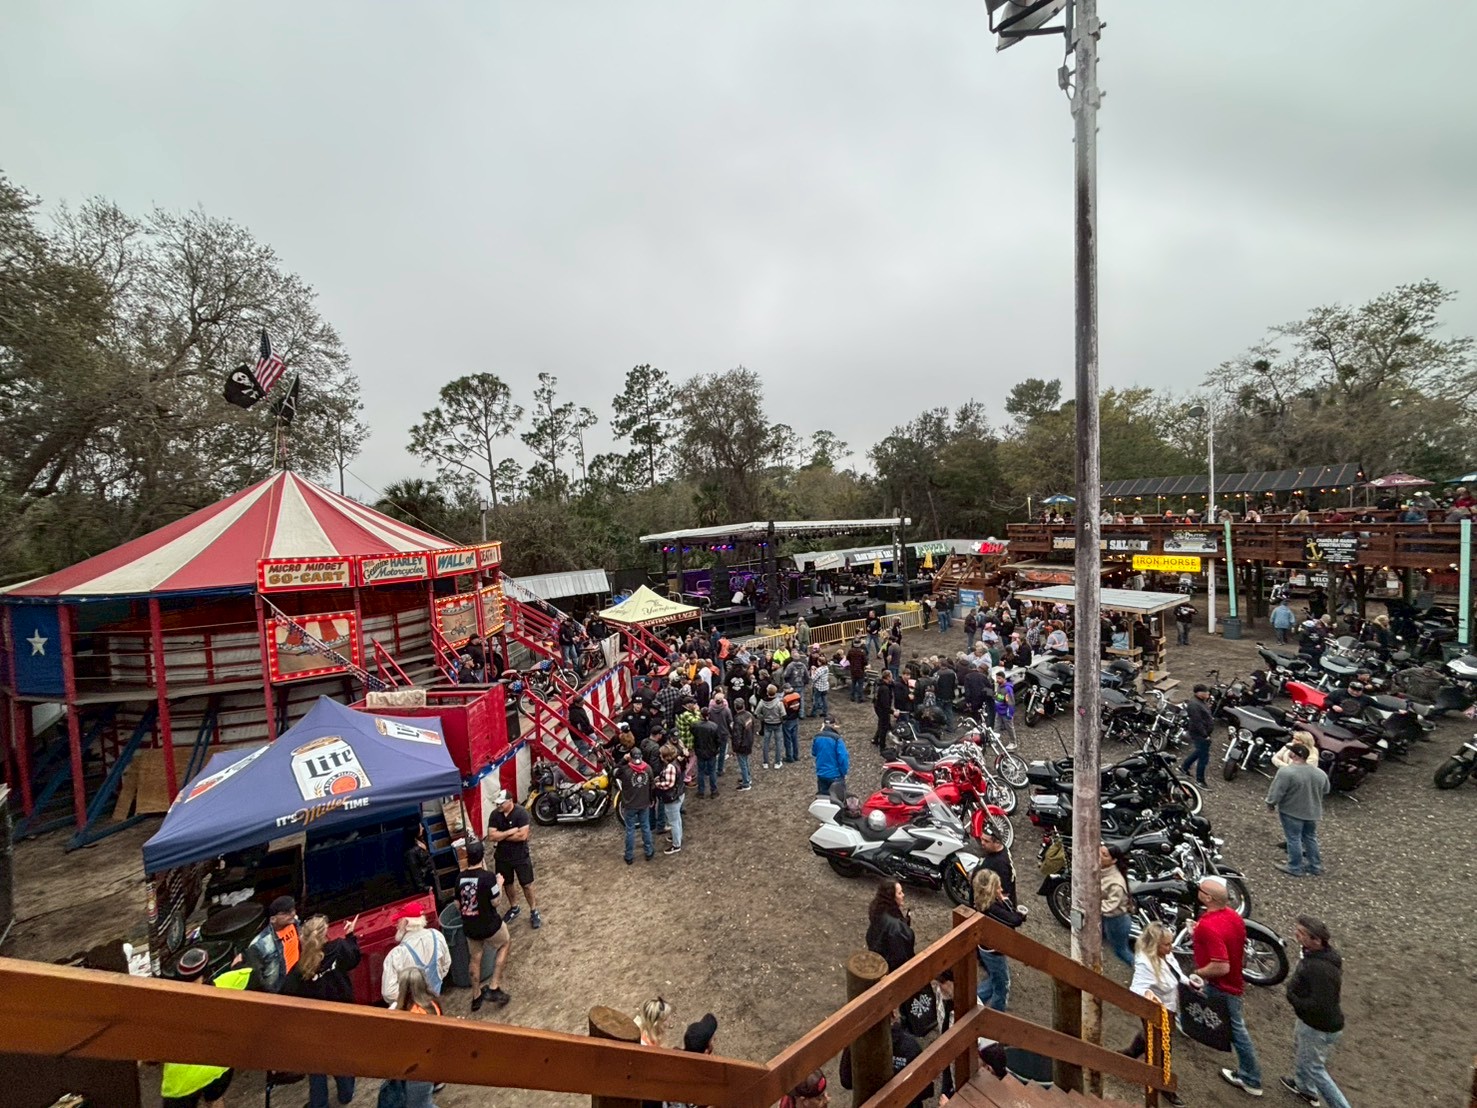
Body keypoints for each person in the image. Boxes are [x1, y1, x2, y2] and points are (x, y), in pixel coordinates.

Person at [1192, 876, 1263, 1096]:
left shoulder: (1208, 926)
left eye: (1201, 889)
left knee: (1237, 1030)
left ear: (1208, 898)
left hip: (1222, 985)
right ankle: (1185, 1023)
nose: (1198, 890)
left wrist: (1197, 973)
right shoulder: (1233, 916)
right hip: (1232, 981)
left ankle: (1251, 1078)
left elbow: (1221, 966)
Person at [159, 948, 253, 1108]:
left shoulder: (171, 1010)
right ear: (207, 972)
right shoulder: (228, 982)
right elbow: (249, 970)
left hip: (182, 1082)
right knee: (215, 1099)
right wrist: (240, 962)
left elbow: (151, 1054)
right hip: (220, 1067)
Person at [284, 914, 361, 1108]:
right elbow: (354, 958)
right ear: (326, 933)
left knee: (317, 1067)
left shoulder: (299, 970)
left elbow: (285, 995)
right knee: (342, 1058)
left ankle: (319, 1104)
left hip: (315, 1026)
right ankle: (346, 1094)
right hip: (342, 1018)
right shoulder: (339, 948)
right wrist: (350, 935)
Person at [1282, 915, 1350, 1108]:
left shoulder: (1318, 968)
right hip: (1312, 1023)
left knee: (1315, 1069)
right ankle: (1305, 1088)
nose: (1296, 934)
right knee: (1302, 1050)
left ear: (1317, 940)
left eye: (1301, 933)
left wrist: (1293, 998)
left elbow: (1319, 1004)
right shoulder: (1321, 956)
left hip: (1317, 1027)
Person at [1121, 923, 1189, 1105]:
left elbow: (1175, 972)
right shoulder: (1146, 963)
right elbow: (1137, 988)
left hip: (1169, 1007)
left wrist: (1188, 982)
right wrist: (1149, 995)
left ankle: (1130, 1053)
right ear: (1155, 946)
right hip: (1156, 1011)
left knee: (1150, 1037)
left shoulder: (1165, 953)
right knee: (1164, 1048)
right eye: (1167, 944)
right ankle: (1164, 1084)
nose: (1171, 947)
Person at [457, 840, 512, 1009]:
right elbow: (496, 902)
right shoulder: (488, 878)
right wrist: (499, 883)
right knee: (505, 943)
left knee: (475, 958)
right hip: (489, 925)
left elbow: (457, 905)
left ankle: (476, 996)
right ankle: (494, 987)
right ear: (482, 857)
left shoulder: (459, 878)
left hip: (470, 926)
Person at [1265, 742, 1330, 877]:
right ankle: (1315, 866)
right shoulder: (1320, 773)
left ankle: (1294, 866)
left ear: (1294, 755)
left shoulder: (1286, 772)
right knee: (1310, 838)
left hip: (1292, 811)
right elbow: (1326, 790)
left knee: (1293, 839)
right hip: (1312, 812)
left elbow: (1277, 791)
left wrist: (1271, 803)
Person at [970, 868, 1024, 1012]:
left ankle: (974, 1000)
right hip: (993, 951)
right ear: (992, 890)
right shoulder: (992, 908)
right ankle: (994, 1011)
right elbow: (1014, 919)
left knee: (997, 979)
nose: (1002, 890)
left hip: (987, 949)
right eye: (998, 888)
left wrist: (1003, 900)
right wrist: (1016, 910)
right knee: (1002, 984)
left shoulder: (983, 903)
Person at [486, 788, 540, 928]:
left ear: (510, 801)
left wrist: (501, 836)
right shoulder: (495, 815)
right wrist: (510, 832)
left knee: (527, 884)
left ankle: (533, 910)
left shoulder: (521, 813)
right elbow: (491, 836)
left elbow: (522, 836)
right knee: (507, 883)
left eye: (501, 803)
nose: (498, 806)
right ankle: (514, 907)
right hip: (502, 857)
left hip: (520, 856)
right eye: (497, 803)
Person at [381, 902, 451, 1005]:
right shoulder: (437, 936)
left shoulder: (397, 954)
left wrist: (410, 998)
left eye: (398, 922)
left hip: (413, 1008)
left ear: (405, 923)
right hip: (434, 1002)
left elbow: (388, 992)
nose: (396, 926)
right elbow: (446, 964)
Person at [393, 968, 443, 1108]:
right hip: (429, 1063)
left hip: (418, 1069)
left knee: (420, 1105)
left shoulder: (415, 1015)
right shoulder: (432, 1003)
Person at [243, 894, 300, 992]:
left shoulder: (293, 923)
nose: (292, 914)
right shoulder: (260, 944)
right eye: (286, 913)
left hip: (296, 975)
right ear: (273, 919)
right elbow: (256, 976)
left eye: (292, 910)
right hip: (280, 986)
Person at [616, 745, 656, 864]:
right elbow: (652, 785)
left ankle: (629, 855)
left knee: (630, 830)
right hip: (644, 803)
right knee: (645, 827)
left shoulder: (625, 770)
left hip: (630, 804)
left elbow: (614, 772)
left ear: (631, 757)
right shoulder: (648, 768)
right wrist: (651, 799)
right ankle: (649, 851)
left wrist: (623, 760)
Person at [865, 880, 915, 972]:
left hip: (878, 959)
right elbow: (900, 958)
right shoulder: (896, 926)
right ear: (891, 897)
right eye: (899, 893)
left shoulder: (878, 910)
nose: (903, 895)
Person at [1100, 845, 1134, 967]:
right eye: (1099, 852)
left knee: (1121, 951)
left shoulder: (1116, 884)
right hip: (1106, 918)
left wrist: (1089, 905)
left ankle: (1141, 970)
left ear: (1113, 860)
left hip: (1116, 921)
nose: (1099, 856)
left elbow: (1109, 907)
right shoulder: (1102, 869)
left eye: (1104, 855)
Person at [656, 743, 687, 856]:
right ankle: (677, 836)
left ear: (665, 757)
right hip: (679, 793)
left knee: (673, 821)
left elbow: (668, 784)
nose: (660, 756)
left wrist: (657, 784)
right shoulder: (676, 762)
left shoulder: (670, 767)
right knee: (677, 820)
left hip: (672, 797)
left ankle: (676, 844)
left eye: (661, 755)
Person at [1180, 684, 1214, 786]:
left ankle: (1184, 767)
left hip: (1203, 733)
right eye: (1206, 692)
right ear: (1199, 693)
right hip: (1199, 734)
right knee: (1204, 757)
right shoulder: (1194, 705)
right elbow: (1197, 722)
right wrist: (1205, 735)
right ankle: (1200, 780)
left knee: (1199, 751)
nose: (1208, 693)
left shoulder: (1201, 702)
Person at [811, 717, 850, 799]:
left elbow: (814, 752)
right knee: (838, 799)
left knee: (823, 798)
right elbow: (843, 757)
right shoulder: (837, 739)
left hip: (821, 774)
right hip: (835, 775)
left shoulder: (817, 737)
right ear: (834, 725)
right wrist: (844, 772)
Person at [690, 708, 721, 799]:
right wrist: (716, 749)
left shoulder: (695, 726)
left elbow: (692, 733)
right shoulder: (714, 726)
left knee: (700, 771)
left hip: (700, 751)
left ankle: (701, 792)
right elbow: (718, 740)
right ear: (709, 715)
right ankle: (714, 791)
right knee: (712, 771)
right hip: (711, 752)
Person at [757, 683, 785, 770]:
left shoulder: (762, 702)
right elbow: (783, 714)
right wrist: (781, 720)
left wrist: (763, 718)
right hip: (777, 724)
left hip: (767, 724)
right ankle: (777, 762)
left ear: (767, 692)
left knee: (766, 743)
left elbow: (757, 713)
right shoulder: (779, 703)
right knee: (778, 743)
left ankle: (765, 762)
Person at [731, 697, 756, 791]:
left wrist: (735, 748)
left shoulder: (737, 719)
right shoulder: (749, 715)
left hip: (742, 745)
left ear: (735, 707)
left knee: (743, 764)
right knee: (745, 761)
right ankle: (747, 778)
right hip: (749, 741)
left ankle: (746, 783)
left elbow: (737, 736)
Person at [872, 670, 897, 750]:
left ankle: (876, 739)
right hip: (882, 709)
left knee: (881, 724)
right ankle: (882, 745)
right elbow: (885, 704)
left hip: (878, 707)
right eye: (891, 676)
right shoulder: (885, 689)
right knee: (884, 726)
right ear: (888, 677)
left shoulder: (880, 684)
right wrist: (892, 711)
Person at [781, 683, 803, 763]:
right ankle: (796, 755)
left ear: (785, 690)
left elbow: (783, 710)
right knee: (795, 738)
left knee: (787, 739)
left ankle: (789, 757)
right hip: (795, 718)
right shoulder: (797, 695)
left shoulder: (785, 699)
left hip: (788, 720)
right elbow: (800, 706)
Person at [846, 638, 869, 703]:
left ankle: (852, 697)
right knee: (860, 685)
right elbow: (865, 662)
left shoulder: (850, 651)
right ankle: (860, 698)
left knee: (853, 683)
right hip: (860, 670)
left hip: (853, 670)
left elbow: (848, 658)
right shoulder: (862, 652)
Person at [808, 654, 831, 718]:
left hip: (818, 687)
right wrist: (816, 669)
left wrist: (812, 671)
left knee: (816, 700)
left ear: (820, 662)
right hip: (825, 687)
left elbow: (813, 678)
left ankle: (813, 713)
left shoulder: (819, 670)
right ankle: (825, 712)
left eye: (818, 661)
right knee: (824, 700)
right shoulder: (826, 668)